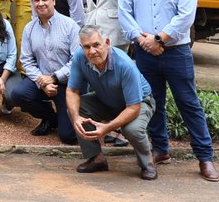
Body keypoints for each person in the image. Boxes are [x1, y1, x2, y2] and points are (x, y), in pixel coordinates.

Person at [119, 0, 219, 182]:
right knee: (153, 103)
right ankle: (161, 149)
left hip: (176, 53)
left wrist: (159, 39)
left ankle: (205, 157)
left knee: (188, 103)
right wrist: (143, 41)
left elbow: (186, 16)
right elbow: (124, 14)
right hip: (144, 53)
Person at [66, 24, 158, 180]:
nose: (92, 51)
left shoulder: (124, 64)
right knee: (76, 110)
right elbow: (72, 91)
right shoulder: (80, 57)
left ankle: (147, 162)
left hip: (139, 102)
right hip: (107, 99)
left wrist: (107, 128)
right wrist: (76, 118)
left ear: (107, 43)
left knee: (132, 129)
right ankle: (97, 159)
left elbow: (133, 107)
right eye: (87, 47)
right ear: (81, 48)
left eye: (96, 45)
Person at [6, 0, 81, 144]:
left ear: (53, 0)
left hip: (67, 83)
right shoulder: (29, 28)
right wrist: (42, 82)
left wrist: (54, 78)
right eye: (36, 0)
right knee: (19, 94)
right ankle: (50, 117)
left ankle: (65, 117)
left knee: (68, 137)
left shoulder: (70, 25)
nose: (40, 3)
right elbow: (26, 60)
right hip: (42, 81)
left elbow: (77, 60)